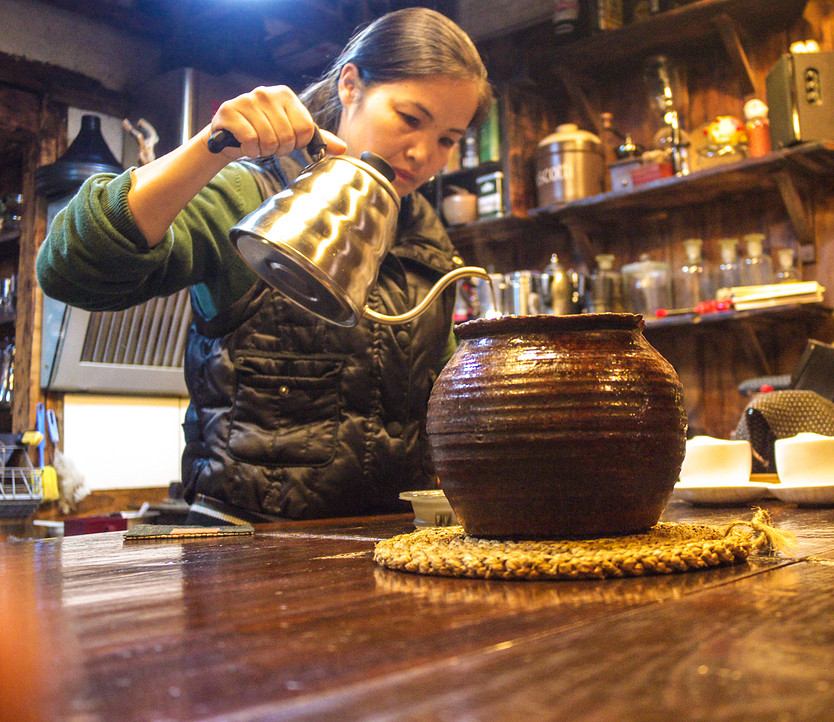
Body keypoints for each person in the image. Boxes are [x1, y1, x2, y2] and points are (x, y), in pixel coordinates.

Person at [36, 8, 493, 524]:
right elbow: (68, 270)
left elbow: (447, 399)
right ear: (350, 85)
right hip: (247, 552)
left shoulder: (427, 239)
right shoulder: (253, 196)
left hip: (392, 547)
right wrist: (211, 149)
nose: (423, 153)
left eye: (448, 140)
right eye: (411, 119)